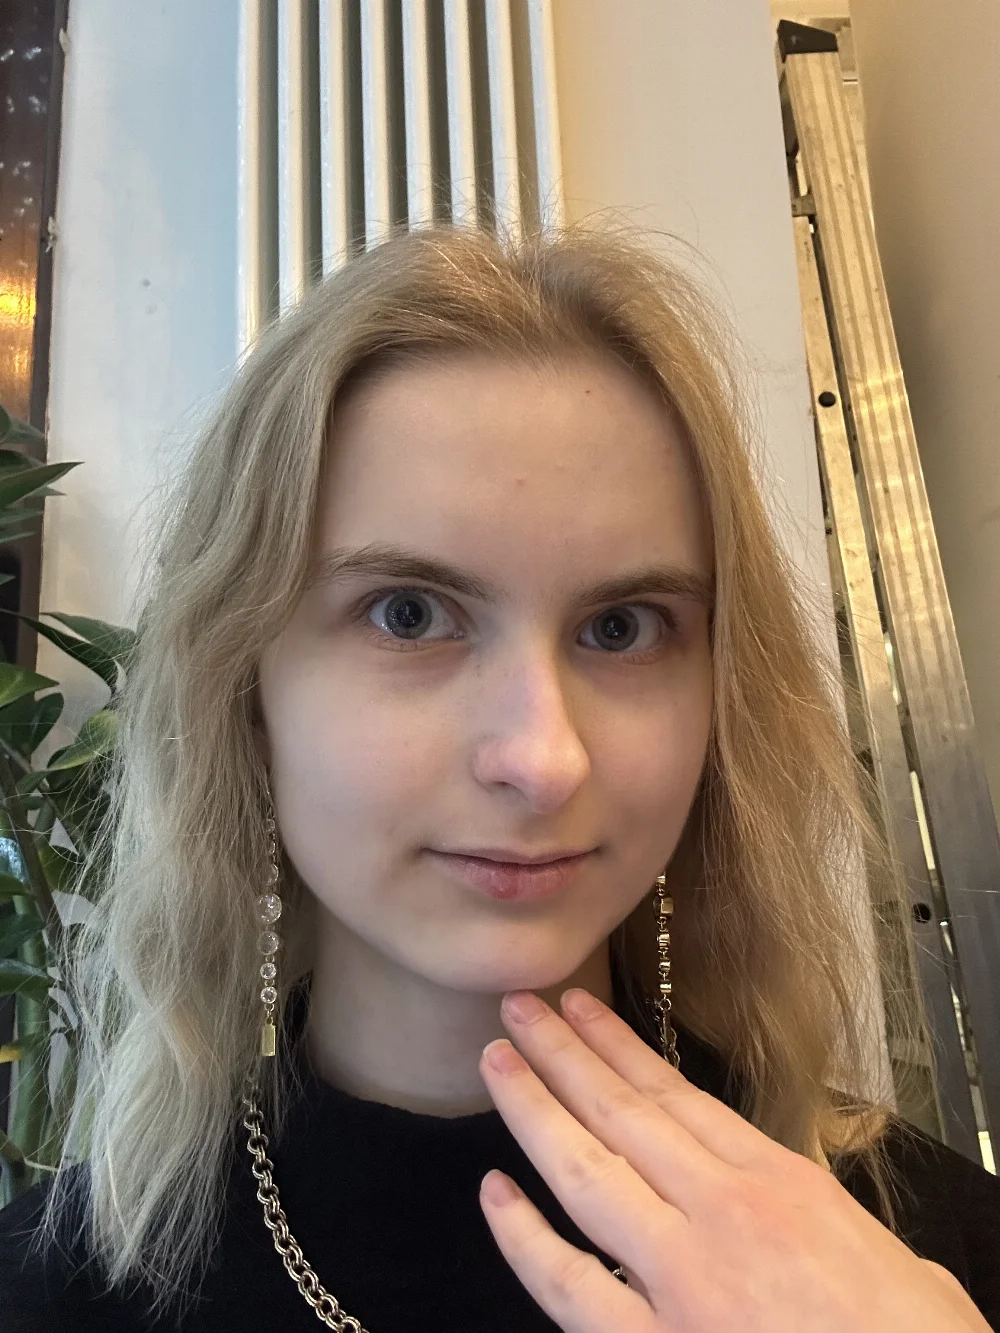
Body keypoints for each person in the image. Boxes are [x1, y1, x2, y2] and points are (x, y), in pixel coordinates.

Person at [1, 223, 998, 1333]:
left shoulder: (923, 1258)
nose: (543, 757)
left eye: (622, 627)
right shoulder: (56, 1296)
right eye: (408, 615)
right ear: (241, 689)